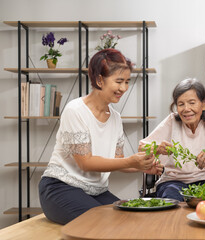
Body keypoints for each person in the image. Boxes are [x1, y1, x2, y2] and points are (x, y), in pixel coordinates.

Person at [38, 49, 163, 225]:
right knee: (105, 224)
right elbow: (85, 162)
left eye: (127, 82)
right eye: (119, 81)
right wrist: (132, 162)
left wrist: (142, 166)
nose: (124, 88)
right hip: (60, 188)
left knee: (132, 220)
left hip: (96, 192)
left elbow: (117, 160)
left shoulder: (115, 118)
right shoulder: (75, 110)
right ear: (99, 80)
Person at [138, 78, 205, 202]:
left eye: (192, 102)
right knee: (172, 198)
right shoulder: (171, 121)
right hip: (174, 182)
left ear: (204, 104)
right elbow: (141, 147)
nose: (186, 109)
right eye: (181, 104)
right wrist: (158, 149)